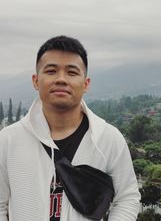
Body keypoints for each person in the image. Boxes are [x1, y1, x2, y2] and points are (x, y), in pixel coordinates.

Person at [0, 36, 140, 221]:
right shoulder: (9, 140)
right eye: (51, 71)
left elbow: (127, 197)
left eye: (72, 72)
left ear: (86, 83)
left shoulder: (107, 138)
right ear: (35, 80)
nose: (61, 79)